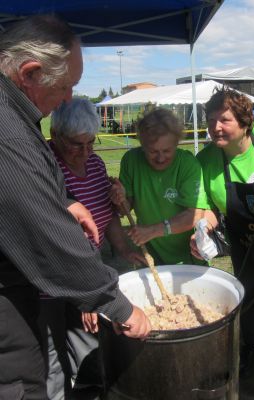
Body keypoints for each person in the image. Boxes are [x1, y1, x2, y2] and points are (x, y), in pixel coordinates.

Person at [0, 15, 150, 400]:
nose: (68, 98)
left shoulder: (16, 115)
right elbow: (39, 228)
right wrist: (115, 304)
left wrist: (64, 201)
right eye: (66, 86)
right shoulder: (7, 129)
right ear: (30, 73)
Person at [39, 98, 146, 399]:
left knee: (88, 356)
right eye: (77, 144)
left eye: (91, 143)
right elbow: (54, 235)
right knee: (51, 362)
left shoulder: (97, 165)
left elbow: (106, 216)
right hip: (51, 282)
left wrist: (123, 248)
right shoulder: (45, 163)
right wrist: (89, 295)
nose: (86, 153)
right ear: (56, 136)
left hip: (87, 273)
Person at [191, 86, 254, 377]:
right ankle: (248, 350)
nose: (216, 127)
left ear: (246, 123)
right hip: (245, 242)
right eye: (211, 120)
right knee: (246, 298)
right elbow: (207, 209)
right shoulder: (205, 160)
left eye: (225, 120)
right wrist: (202, 230)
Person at [114, 107, 209, 265]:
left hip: (190, 258)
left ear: (177, 143)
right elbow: (124, 210)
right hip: (152, 258)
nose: (160, 158)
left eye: (167, 151)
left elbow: (195, 215)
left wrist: (152, 231)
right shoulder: (131, 161)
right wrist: (120, 197)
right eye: (152, 151)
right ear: (142, 144)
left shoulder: (188, 164)